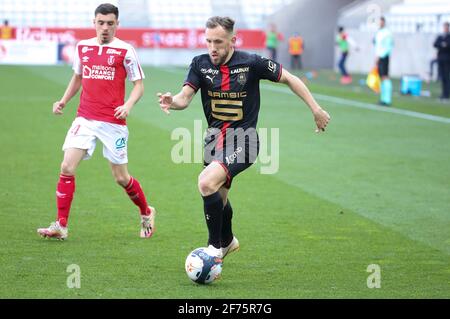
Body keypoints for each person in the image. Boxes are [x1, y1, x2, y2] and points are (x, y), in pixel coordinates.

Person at [157, 16, 330, 258]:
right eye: (208, 41)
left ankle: (213, 250)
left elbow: (290, 78)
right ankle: (227, 241)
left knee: (206, 182)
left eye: (218, 42)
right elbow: (184, 97)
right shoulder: (200, 64)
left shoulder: (251, 63)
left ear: (233, 41)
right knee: (217, 195)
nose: (212, 47)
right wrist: (171, 101)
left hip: (245, 141)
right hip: (214, 142)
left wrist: (316, 109)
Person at [37, 3, 155, 240]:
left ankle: (146, 211)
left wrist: (127, 105)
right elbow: (78, 78)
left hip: (113, 122)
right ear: (94, 23)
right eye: (100, 23)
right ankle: (61, 225)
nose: (105, 28)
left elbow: (139, 86)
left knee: (121, 178)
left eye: (110, 24)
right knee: (66, 167)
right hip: (85, 117)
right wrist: (63, 101)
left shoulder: (125, 50)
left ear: (117, 25)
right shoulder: (83, 47)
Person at [374, 16, 394, 106]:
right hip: (379, 57)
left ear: (384, 22)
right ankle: (383, 98)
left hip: (384, 57)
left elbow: (388, 46)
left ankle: (387, 99)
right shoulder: (379, 32)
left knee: (385, 77)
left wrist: (381, 56)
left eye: (381, 22)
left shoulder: (387, 33)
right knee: (382, 77)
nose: (380, 23)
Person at [434, 22, 450, 101]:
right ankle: (443, 93)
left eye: (446, 27)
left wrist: (444, 45)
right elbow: (435, 44)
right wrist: (443, 44)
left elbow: (448, 45)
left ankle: (447, 94)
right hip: (440, 59)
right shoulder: (440, 36)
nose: (445, 28)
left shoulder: (449, 36)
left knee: (447, 77)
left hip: (447, 59)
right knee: (442, 77)